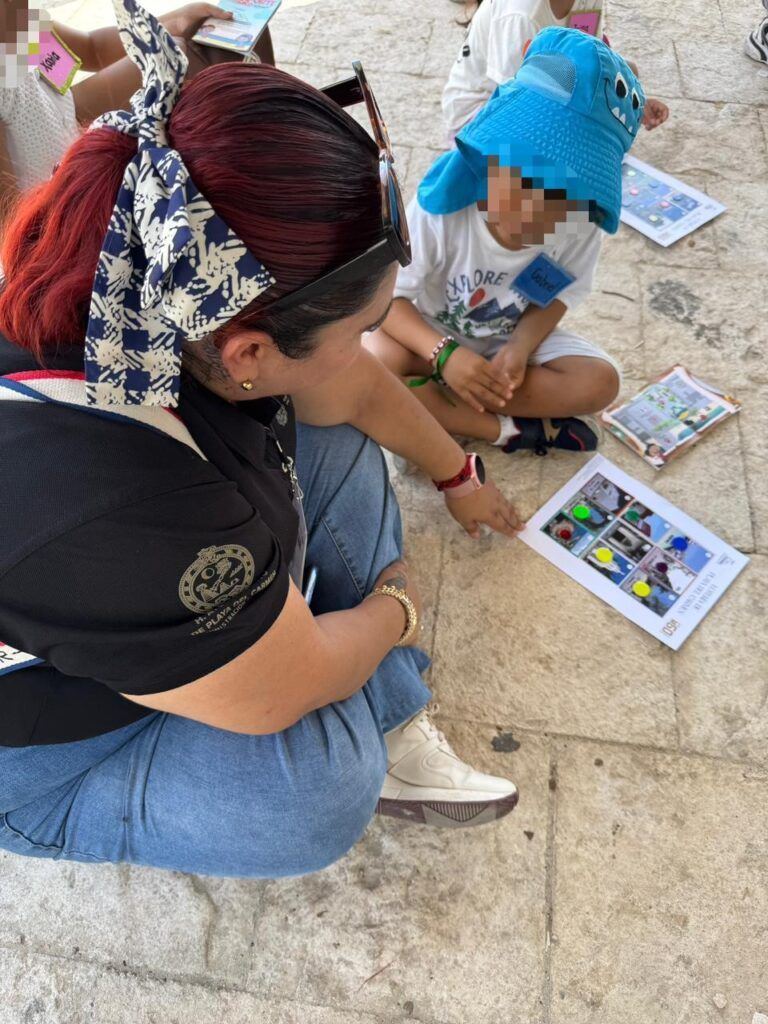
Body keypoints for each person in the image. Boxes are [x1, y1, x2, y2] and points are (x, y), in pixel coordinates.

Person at [0, 0, 524, 879]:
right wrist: (395, 608)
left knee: (345, 429)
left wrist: (458, 472)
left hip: (124, 560)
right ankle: (369, 699)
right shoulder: (124, 499)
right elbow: (283, 692)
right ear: (242, 349)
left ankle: (348, 681)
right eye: (358, 324)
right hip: (39, 747)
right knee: (314, 793)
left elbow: (351, 384)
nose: (368, 346)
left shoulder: (121, 231)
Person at [366, 28, 639, 455]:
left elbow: (558, 294)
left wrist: (519, 346)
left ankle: (437, 407)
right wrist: (444, 355)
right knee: (371, 364)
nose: (537, 209)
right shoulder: (441, 208)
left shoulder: (581, 223)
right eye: (527, 178)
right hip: (428, 334)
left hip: (506, 344)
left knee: (601, 382)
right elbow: (386, 304)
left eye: (564, 196)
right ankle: (504, 430)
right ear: (489, 154)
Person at [0, 0, 272, 208]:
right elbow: (12, 224)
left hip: (68, 115)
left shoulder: (17, 17)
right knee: (193, 62)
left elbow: (93, 48)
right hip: (64, 186)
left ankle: (282, 133)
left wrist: (174, 22)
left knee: (220, 40)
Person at [441, 0, 669, 145]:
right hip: (481, 110)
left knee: (628, 71)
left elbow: (590, 55)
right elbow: (513, 103)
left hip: (545, 76)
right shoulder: (521, 15)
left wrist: (630, 105)